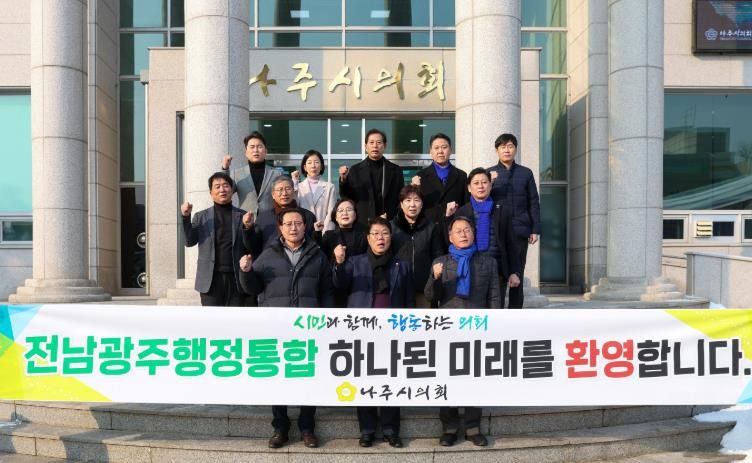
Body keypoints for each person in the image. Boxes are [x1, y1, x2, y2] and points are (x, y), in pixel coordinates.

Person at [238, 208, 334, 449]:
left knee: (308, 377)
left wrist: (327, 320)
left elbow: (326, 291)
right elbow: (252, 288)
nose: (293, 227)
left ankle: (307, 427)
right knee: (278, 378)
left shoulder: (317, 255)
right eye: (288, 223)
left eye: (298, 223)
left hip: (309, 328)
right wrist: (245, 271)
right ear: (280, 227)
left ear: (305, 226)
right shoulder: (267, 255)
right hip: (277, 328)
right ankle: (280, 428)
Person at [332, 217, 415, 448]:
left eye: (385, 233)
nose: (380, 238)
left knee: (391, 379)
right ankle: (367, 429)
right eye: (376, 234)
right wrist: (339, 263)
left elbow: (409, 300)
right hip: (362, 332)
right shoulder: (355, 262)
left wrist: (410, 329)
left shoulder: (401, 265)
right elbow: (339, 284)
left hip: (393, 333)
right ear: (368, 238)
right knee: (365, 379)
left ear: (391, 237)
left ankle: (390, 429)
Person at [425, 216, 501, 447]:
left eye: (467, 230)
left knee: (474, 379)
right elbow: (431, 296)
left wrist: (494, 325)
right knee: (447, 378)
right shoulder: (441, 262)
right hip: (448, 330)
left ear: (473, 233)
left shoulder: (488, 263)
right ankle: (449, 428)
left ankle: (472, 428)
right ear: (450, 237)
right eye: (458, 231)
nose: (463, 234)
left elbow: (494, 296)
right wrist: (436, 278)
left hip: (477, 329)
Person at [180, 172, 252, 306]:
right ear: (210, 192)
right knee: (211, 318)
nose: (222, 190)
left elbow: (250, 245)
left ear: (232, 190)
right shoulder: (201, 217)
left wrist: (248, 228)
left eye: (226, 185)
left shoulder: (243, 216)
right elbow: (189, 241)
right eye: (217, 186)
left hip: (237, 278)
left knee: (236, 317)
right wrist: (185, 217)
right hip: (210, 280)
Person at [488, 133, 541, 308]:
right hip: (498, 231)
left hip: (519, 230)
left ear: (516, 149)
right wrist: (490, 183)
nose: (507, 150)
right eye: (503, 147)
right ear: (497, 150)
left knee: (517, 272)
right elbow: (482, 198)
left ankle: (515, 313)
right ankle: (497, 312)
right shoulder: (489, 174)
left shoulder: (525, 173)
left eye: (510, 146)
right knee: (500, 273)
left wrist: (535, 229)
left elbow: (533, 201)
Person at [455, 168, 521, 305]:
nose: (481, 186)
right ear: (469, 188)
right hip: (471, 269)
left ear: (491, 185)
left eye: (484, 182)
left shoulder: (502, 210)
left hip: (498, 270)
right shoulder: (462, 211)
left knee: (496, 309)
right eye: (476, 183)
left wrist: (515, 272)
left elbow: (511, 243)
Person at [390, 185, 444, 308]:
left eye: (417, 200)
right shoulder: (391, 227)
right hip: (397, 287)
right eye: (408, 200)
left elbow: (438, 254)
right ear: (401, 204)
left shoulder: (431, 227)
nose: (412, 205)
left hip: (423, 288)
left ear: (422, 204)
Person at [411, 133, 468, 245]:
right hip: (428, 229)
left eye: (444, 147)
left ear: (450, 150)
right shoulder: (421, 176)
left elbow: (465, 204)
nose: (440, 151)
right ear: (430, 152)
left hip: (454, 230)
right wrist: (413, 188)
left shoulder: (461, 175)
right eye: (436, 148)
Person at [339, 128, 404, 225]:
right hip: (362, 224)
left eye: (379, 142)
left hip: (388, 223)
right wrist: (343, 180)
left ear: (384, 146)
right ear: (366, 146)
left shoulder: (396, 171)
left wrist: (395, 218)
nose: (375, 146)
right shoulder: (355, 170)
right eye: (371, 142)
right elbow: (346, 197)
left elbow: (401, 199)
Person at [314, 198, 368, 307]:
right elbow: (319, 256)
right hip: (334, 286)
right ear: (335, 217)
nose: (345, 213)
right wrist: (317, 234)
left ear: (355, 215)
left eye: (349, 209)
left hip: (358, 284)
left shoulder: (364, 235)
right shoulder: (329, 235)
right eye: (340, 210)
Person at [245, 176, 316, 258]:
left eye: (288, 189)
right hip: (270, 262)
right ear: (273, 194)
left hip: (300, 261)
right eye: (280, 190)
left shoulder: (307, 216)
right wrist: (248, 228)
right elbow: (254, 247)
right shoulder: (263, 217)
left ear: (294, 192)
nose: (284, 193)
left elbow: (313, 244)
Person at [222, 131, 282, 215]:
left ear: (265, 151)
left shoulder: (276, 174)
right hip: (245, 219)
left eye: (259, 146)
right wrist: (225, 169)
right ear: (246, 152)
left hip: (270, 219)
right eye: (252, 147)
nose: (256, 150)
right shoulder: (237, 174)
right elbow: (226, 191)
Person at [291, 149, 337, 232]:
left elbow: (331, 213)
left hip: (323, 231)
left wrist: (326, 233)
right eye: (309, 163)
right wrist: (294, 183)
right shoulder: (299, 187)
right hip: (303, 231)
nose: (313, 166)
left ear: (321, 166)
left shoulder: (329, 187)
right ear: (305, 167)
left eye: (316, 162)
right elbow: (293, 207)